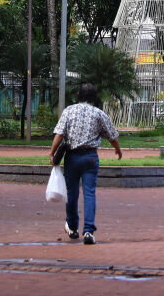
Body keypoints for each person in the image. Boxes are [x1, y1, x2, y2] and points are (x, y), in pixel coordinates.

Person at [49, 82, 122, 245]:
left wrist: (52, 152)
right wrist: (118, 150)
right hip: (90, 157)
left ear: (78, 95)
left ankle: (72, 227)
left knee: (72, 194)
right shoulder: (98, 113)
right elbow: (112, 135)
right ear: (94, 97)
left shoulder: (69, 111)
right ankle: (88, 230)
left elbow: (59, 134)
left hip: (72, 157)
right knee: (89, 194)